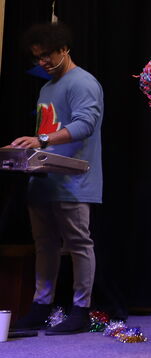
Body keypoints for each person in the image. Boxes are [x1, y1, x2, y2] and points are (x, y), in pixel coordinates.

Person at [8, 22, 103, 335]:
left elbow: (85, 125)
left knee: (78, 244)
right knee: (44, 244)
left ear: (64, 49)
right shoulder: (46, 88)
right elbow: (46, 130)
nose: (43, 62)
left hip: (74, 180)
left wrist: (42, 140)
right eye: (37, 57)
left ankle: (81, 310)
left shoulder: (83, 83)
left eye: (47, 55)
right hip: (44, 179)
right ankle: (41, 305)